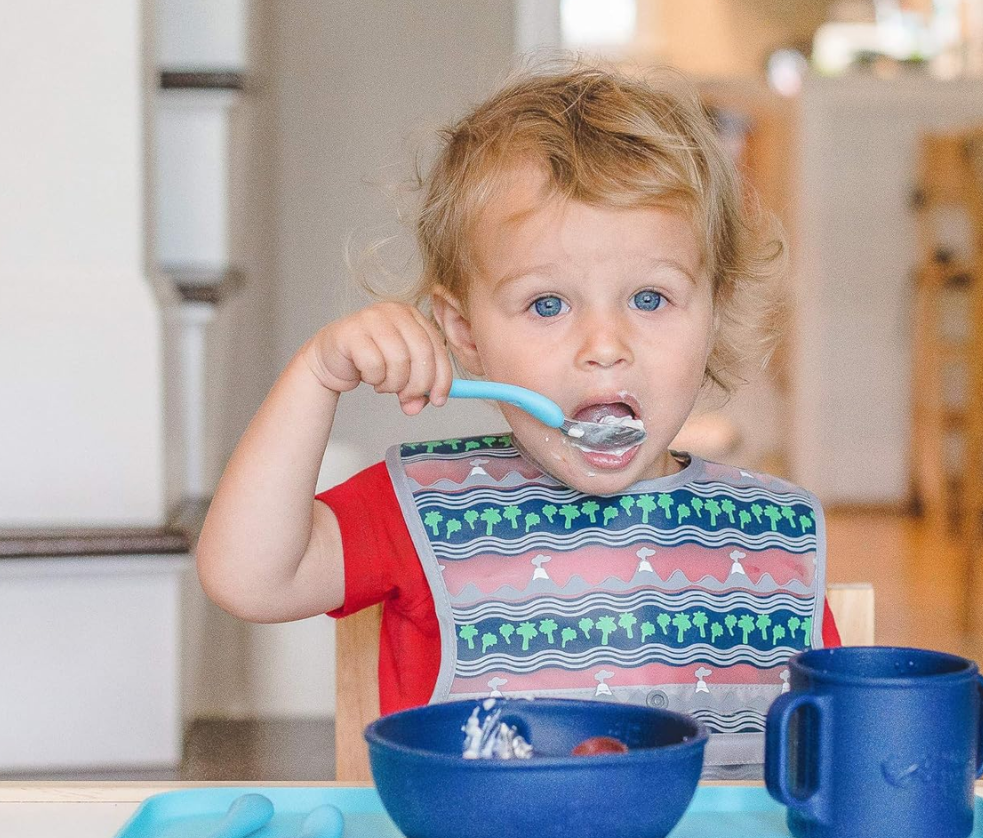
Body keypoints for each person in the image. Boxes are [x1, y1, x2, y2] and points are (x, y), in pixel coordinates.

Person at [196, 61, 838, 775]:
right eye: (547, 304)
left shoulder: (773, 545)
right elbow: (246, 576)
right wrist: (317, 377)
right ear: (465, 331)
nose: (605, 347)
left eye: (650, 299)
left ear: (713, 312)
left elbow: (835, 774)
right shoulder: (419, 516)